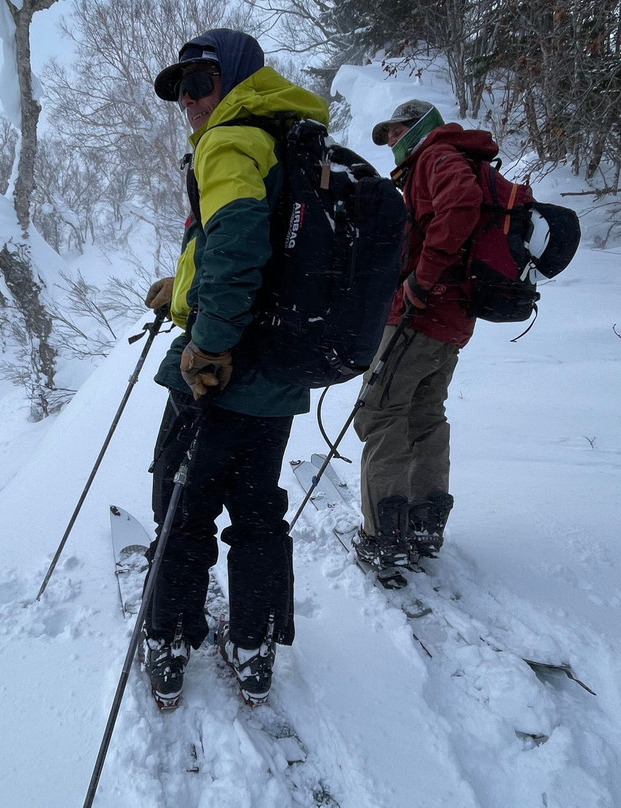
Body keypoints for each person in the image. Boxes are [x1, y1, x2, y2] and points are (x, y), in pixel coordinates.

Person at [140, 29, 329, 709]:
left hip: (220, 373)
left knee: (181, 508)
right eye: (180, 90)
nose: (189, 100)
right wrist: (182, 287)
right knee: (256, 512)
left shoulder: (228, 141)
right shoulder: (288, 137)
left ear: (237, 76)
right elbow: (259, 245)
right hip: (278, 374)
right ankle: (253, 648)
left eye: (201, 82)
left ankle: (168, 640)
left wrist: (209, 343)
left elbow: (241, 242)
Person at [352, 100, 500, 574]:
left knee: (380, 413)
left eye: (395, 132)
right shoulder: (450, 157)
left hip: (420, 316)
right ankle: (423, 522)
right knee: (423, 415)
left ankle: (385, 534)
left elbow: (460, 205)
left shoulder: (436, 156)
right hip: (450, 321)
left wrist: (422, 277)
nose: (391, 143)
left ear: (418, 127)